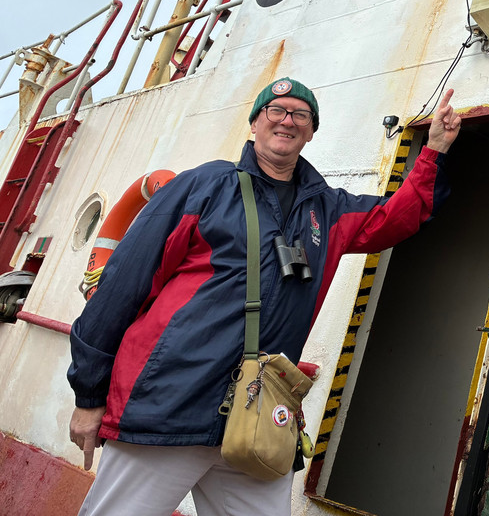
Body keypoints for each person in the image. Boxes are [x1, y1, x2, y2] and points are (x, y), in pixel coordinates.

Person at [67, 78, 461, 516]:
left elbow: (397, 216)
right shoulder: (204, 185)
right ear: (255, 122)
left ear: (311, 132)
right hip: (170, 404)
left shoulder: (327, 209)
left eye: (300, 115)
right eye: (276, 110)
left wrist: (435, 149)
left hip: (259, 419)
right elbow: (124, 283)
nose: (287, 120)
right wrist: (89, 394)